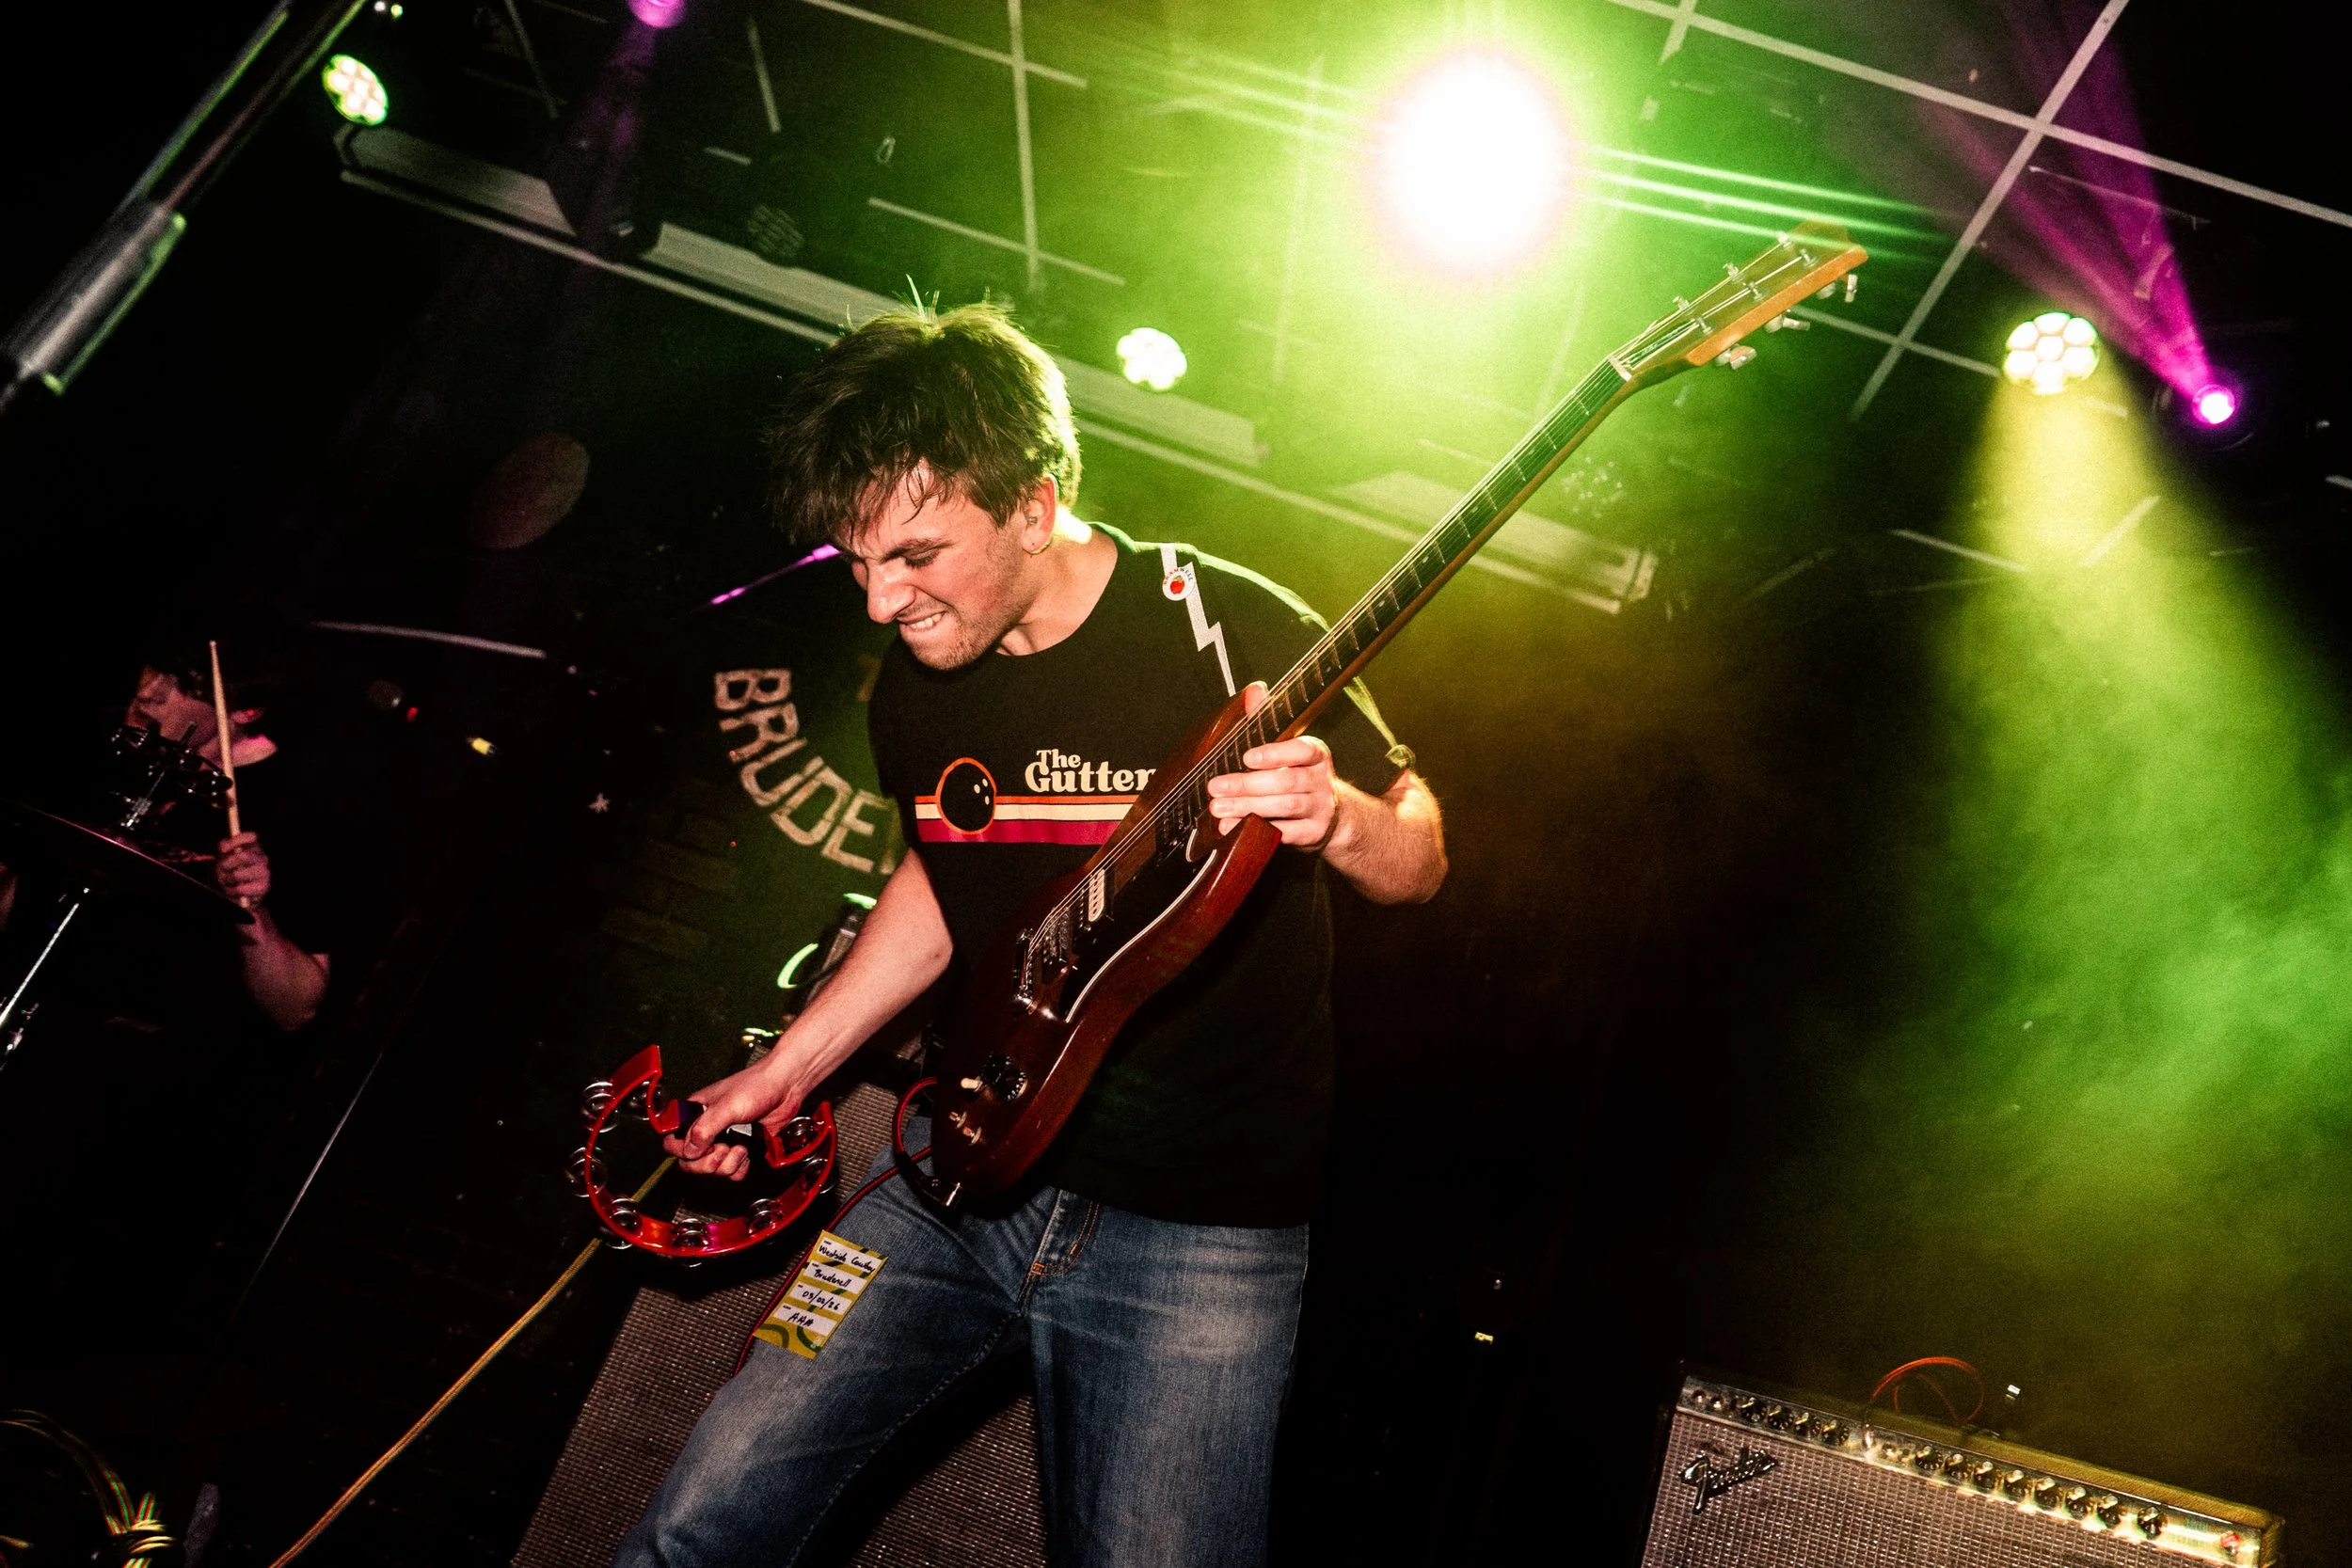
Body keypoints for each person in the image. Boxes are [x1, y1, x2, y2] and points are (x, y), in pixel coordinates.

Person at [615, 304, 1446, 1568]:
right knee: (701, 1520)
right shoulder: (919, 690)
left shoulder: (1216, 622)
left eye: (917, 554)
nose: (884, 600)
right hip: (958, 1187)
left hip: (1197, 1239)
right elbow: (937, 891)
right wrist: (785, 1073)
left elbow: (1421, 849)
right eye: (859, 561)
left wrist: (1331, 815)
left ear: (1037, 502)